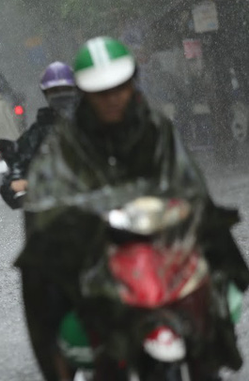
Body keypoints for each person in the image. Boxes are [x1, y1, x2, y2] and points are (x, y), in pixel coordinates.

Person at [17, 37, 249, 380]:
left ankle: (211, 355)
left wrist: (187, 209)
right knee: (36, 273)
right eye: (100, 91)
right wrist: (70, 221)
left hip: (159, 239)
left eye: (119, 88)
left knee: (215, 255)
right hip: (94, 247)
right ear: (84, 93)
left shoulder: (157, 129)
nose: (112, 99)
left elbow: (186, 182)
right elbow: (45, 198)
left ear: (132, 82)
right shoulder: (63, 145)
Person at [0, 62, 78, 209]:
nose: (60, 95)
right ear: (46, 94)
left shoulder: (96, 121)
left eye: (65, 89)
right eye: (54, 91)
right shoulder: (38, 132)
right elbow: (16, 173)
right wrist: (15, 184)